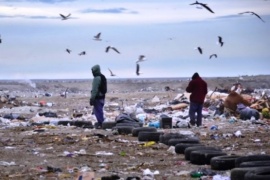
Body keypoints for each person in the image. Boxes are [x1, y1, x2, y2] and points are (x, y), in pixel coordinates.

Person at [90, 64, 107, 129]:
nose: (92, 72)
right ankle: (102, 123)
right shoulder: (103, 77)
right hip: (102, 97)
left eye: (93, 71)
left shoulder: (96, 78)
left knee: (98, 111)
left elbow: (94, 89)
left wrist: (92, 99)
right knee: (99, 111)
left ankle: (101, 124)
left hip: (97, 98)